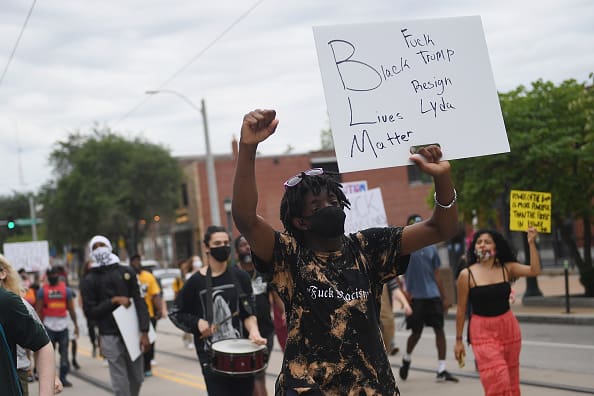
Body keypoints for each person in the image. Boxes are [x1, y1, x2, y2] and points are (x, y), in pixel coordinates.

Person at [232, 109, 458, 395]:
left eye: (332, 199)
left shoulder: (370, 247)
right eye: (316, 206)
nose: (329, 207)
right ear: (301, 221)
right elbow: (245, 218)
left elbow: (441, 229)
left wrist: (443, 179)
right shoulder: (288, 255)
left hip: (373, 388)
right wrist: (248, 147)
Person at [176, 225, 267, 396]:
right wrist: (197, 323)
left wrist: (254, 332)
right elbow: (176, 312)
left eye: (226, 242)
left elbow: (248, 312)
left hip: (241, 355)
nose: (223, 246)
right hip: (211, 356)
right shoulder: (195, 282)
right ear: (206, 247)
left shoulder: (241, 277)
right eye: (217, 243)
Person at [454, 227, 540, 396]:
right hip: (482, 332)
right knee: (498, 378)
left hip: (508, 329)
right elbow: (461, 309)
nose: (483, 245)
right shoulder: (466, 275)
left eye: (487, 242)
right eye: (479, 242)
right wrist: (458, 341)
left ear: (496, 246)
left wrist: (531, 243)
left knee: (511, 378)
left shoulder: (507, 268)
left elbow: (534, 271)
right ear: (474, 247)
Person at [80, 235, 151, 396]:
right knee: (120, 383)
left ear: (109, 246)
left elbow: (140, 302)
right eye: (95, 247)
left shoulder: (126, 271)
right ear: (91, 251)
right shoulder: (89, 279)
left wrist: (145, 330)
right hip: (109, 334)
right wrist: (113, 301)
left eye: (102, 245)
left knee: (137, 378)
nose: (100, 249)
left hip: (132, 333)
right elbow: (90, 311)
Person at [398, 214, 458, 382]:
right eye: (413, 225)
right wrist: (403, 293)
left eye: (420, 224)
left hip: (433, 296)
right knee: (416, 333)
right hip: (416, 298)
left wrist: (444, 297)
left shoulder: (431, 248)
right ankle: (407, 358)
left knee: (440, 330)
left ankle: (441, 369)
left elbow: (437, 274)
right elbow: (395, 274)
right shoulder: (404, 249)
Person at [0, 255, 60, 396]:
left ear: (3, 273)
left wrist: (50, 382)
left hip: (19, 372)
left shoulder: (8, 302)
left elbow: (42, 343)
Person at [235, 235, 276, 396]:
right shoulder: (234, 274)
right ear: (237, 250)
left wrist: (286, 316)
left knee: (259, 374)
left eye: (249, 244)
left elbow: (276, 296)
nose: (246, 247)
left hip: (266, 330)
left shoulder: (263, 271)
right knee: (251, 376)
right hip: (243, 333)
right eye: (242, 245)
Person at [34, 266, 79, 387]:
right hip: (48, 326)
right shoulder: (43, 291)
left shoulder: (66, 291)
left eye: (55, 275)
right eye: (51, 275)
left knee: (64, 353)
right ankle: (50, 379)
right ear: (48, 277)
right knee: (48, 355)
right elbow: (38, 311)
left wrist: (75, 325)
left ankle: (63, 378)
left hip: (63, 326)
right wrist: (38, 327)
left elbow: (71, 309)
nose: (53, 277)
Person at [129, 254, 162, 377]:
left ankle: (147, 366)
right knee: (135, 342)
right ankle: (138, 366)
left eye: (138, 261)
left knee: (150, 341)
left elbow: (155, 294)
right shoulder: (129, 277)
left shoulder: (148, 277)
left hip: (149, 314)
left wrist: (159, 309)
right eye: (134, 261)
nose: (136, 263)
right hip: (132, 317)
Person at [172, 258, 195, 349]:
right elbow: (176, 293)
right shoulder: (178, 280)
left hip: (191, 302)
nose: (184, 267)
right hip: (183, 303)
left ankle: (187, 338)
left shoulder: (191, 276)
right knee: (186, 323)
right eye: (182, 266)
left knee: (190, 322)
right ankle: (188, 339)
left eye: (186, 265)